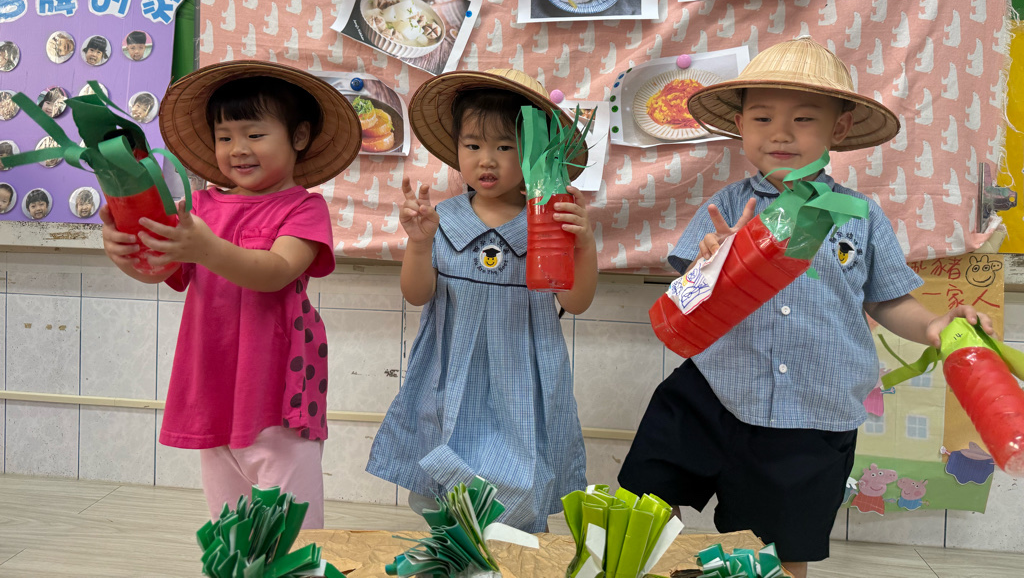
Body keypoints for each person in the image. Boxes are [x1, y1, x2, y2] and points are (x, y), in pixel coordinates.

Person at [617, 37, 994, 578]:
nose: (781, 133)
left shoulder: (859, 215)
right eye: (763, 118)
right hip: (712, 391)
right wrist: (709, 263)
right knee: (642, 504)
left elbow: (888, 298)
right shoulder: (727, 206)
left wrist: (935, 325)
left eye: (803, 119)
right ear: (741, 126)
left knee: (779, 552)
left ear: (839, 129)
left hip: (812, 414)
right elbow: (685, 293)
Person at [99, 61, 361, 528]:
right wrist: (125, 253)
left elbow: (276, 272)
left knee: (291, 536)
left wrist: (206, 247)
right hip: (212, 391)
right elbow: (159, 270)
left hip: (278, 396)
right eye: (224, 137)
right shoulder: (198, 207)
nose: (238, 149)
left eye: (254, 134)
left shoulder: (304, 208)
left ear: (299, 136)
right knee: (230, 532)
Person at [366, 68, 597, 533]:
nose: (486, 160)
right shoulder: (442, 218)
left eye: (505, 147)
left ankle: (509, 553)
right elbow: (416, 294)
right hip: (448, 378)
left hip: (523, 383)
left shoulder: (548, 223)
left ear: (533, 154)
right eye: (472, 145)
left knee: (517, 497)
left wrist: (584, 245)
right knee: (442, 499)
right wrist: (418, 244)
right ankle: (453, 553)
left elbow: (577, 303)